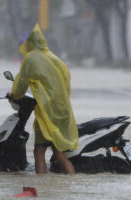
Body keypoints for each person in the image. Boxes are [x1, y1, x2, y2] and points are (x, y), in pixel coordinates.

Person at [8, 24, 78, 174]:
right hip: (63, 110)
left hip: (47, 113)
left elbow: (20, 85)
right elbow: (66, 81)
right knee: (59, 153)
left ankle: (42, 187)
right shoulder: (55, 59)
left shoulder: (30, 59)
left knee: (39, 152)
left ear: (30, 43)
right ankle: (72, 184)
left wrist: (13, 95)